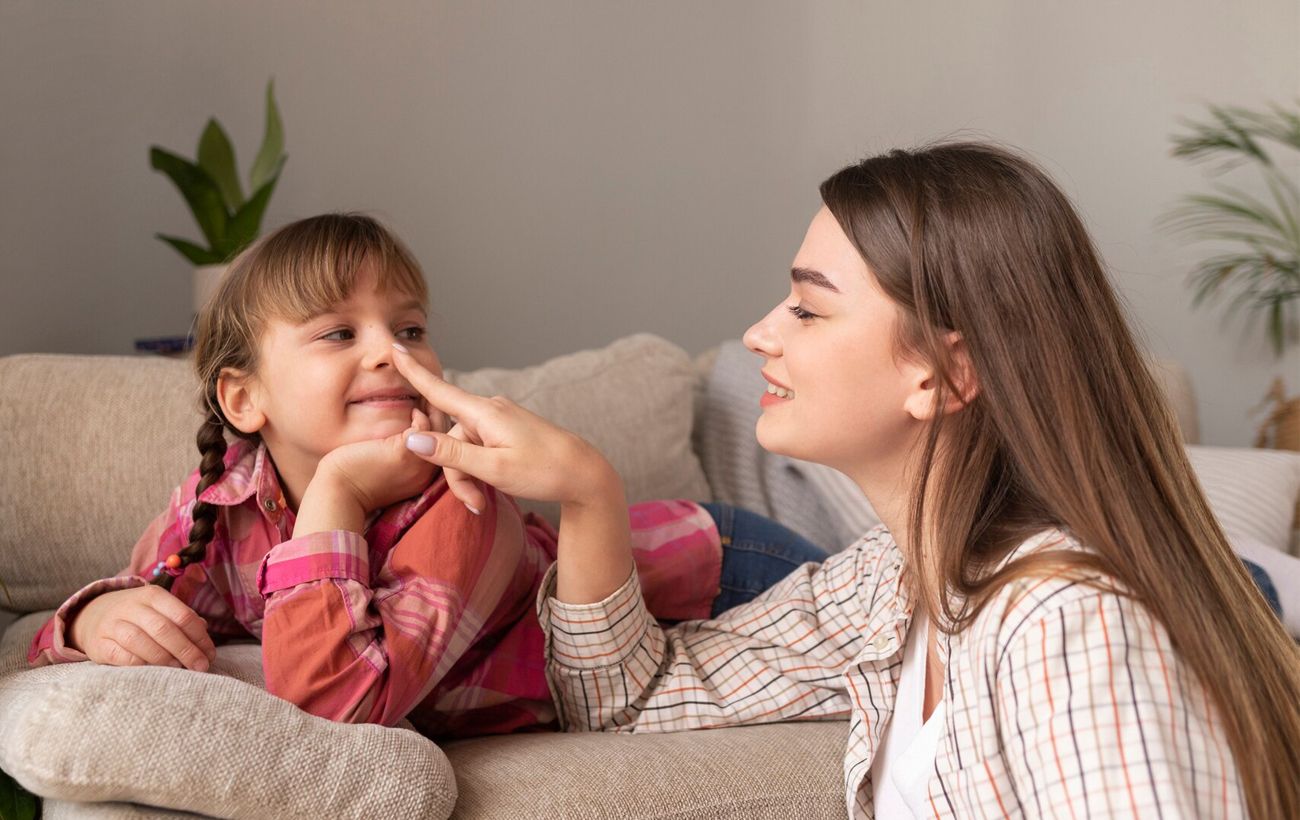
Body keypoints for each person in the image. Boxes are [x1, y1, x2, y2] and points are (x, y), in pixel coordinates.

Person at [386, 143, 1300, 817]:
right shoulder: (890, 587)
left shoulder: (1073, 623)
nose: (760, 334)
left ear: (942, 374)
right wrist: (588, 495)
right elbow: (626, 701)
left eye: (809, 308)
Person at [27, 213, 824, 738]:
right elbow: (96, 622)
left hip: (714, 572)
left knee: (917, 608)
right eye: (339, 332)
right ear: (243, 398)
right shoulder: (220, 505)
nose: (392, 353)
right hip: (690, 586)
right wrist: (92, 622)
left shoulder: (462, 500)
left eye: (409, 327)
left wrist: (337, 492)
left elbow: (341, 701)